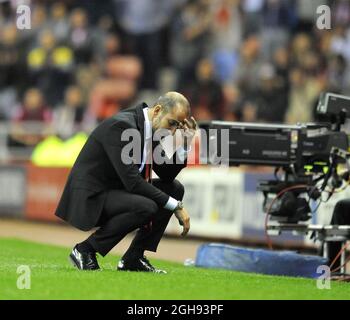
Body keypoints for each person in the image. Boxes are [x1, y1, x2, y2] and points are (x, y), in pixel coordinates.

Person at [55, 92, 197, 273]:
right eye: (172, 124)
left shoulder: (152, 129)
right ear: (158, 111)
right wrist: (176, 206)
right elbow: (133, 182)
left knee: (174, 188)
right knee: (146, 206)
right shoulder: (122, 126)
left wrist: (185, 144)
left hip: (116, 190)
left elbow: (166, 175)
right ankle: (85, 250)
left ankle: (133, 258)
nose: (172, 132)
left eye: (177, 126)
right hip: (92, 195)